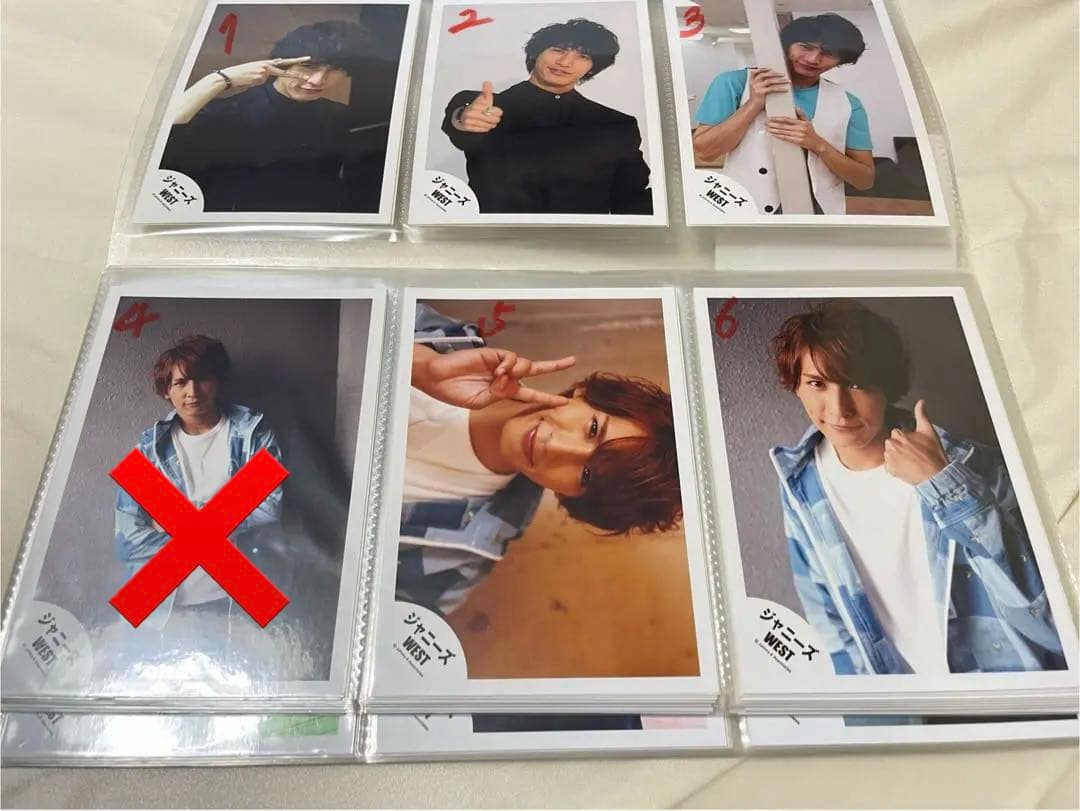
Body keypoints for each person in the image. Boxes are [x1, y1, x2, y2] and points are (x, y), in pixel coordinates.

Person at [768, 301, 1065, 675]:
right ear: (795, 384)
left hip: (1002, 694)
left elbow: (1053, 624)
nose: (838, 409)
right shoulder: (800, 483)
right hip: (904, 705)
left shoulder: (971, 465)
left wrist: (945, 486)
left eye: (857, 383)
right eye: (817, 383)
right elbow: (833, 631)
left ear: (886, 386)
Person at [396, 304, 682, 615]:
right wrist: (418, 364)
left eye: (586, 475)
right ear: (584, 392)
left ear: (571, 496)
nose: (555, 446)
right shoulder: (449, 340)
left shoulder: (460, 560)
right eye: (593, 429)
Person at [114, 335, 285, 631]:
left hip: (239, 601)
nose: (192, 392)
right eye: (180, 383)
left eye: (202, 379)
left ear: (216, 382)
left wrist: (176, 522)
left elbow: (271, 508)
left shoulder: (252, 432)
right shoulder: (149, 449)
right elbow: (127, 542)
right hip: (163, 606)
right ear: (166, 391)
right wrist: (224, 519)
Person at [161, 20, 384, 213]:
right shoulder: (229, 111)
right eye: (308, 66)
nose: (317, 81)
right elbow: (160, 145)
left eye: (335, 70)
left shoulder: (340, 116)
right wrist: (219, 79)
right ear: (281, 63)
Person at [440, 18, 653, 214]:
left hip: (583, 240)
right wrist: (463, 119)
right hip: (494, 237)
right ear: (536, 53)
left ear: (592, 68)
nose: (565, 62)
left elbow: (631, 197)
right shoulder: (485, 106)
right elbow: (463, 126)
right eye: (557, 50)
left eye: (583, 56)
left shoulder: (615, 124)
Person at [692, 14, 875, 214]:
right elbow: (706, 152)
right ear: (788, 44)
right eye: (805, 47)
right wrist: (753, 104)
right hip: (746, 206)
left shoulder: (848, 103)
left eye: (829, 53)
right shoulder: (733, 83)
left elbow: (864, 180)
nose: (813, 59)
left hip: (818, 211)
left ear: (842, 60)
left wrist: (817, 144)